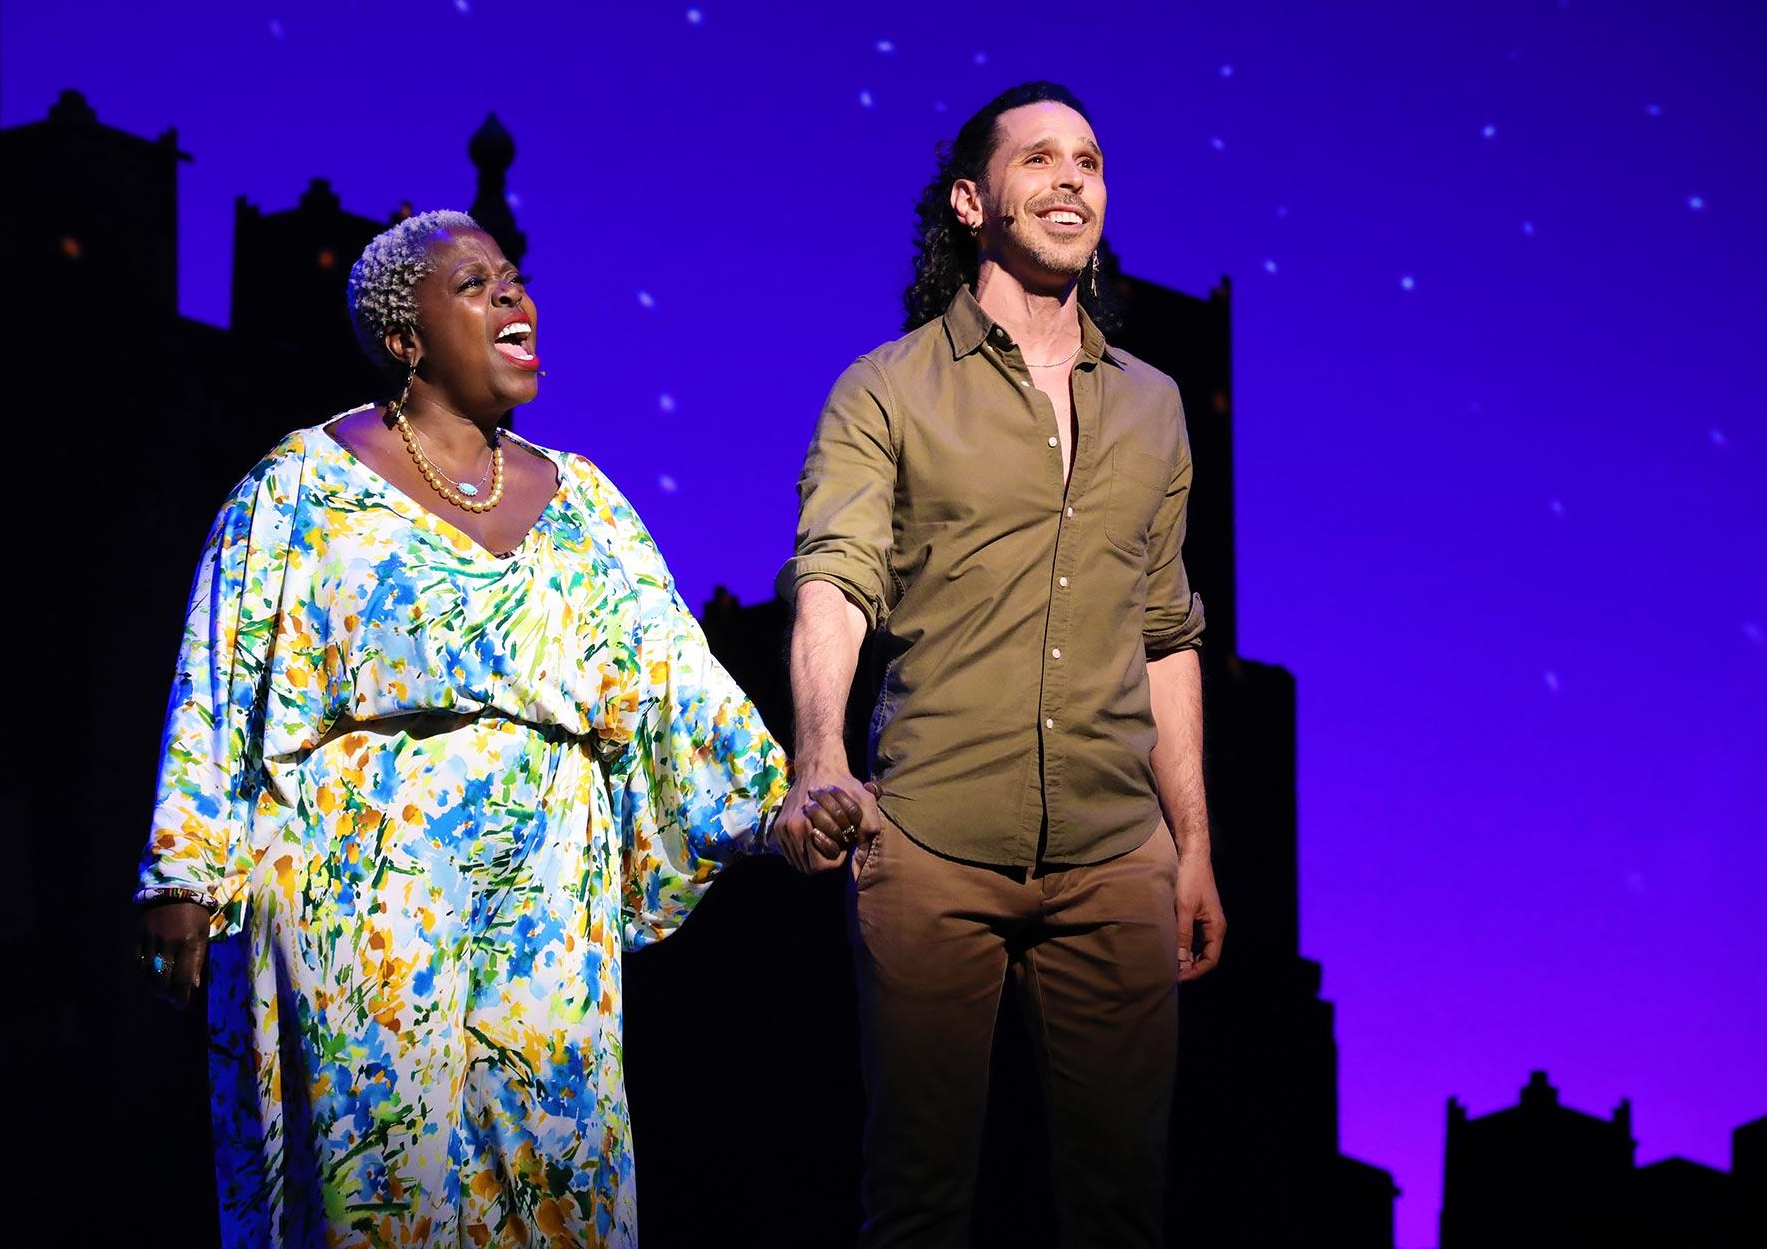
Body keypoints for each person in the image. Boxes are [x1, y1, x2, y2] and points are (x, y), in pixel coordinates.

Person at [133, 209, 859, 1248]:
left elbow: (679, 686)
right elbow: (219, 675)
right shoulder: (297, 489)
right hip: (362, 907)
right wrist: (181, 873)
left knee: (554, 1184)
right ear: (405, 338)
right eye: (474, 285)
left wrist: (783, 804)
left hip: (546, 921)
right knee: (388, 1190)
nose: (514, 299)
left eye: (514, 279)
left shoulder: (592, 508)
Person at [770, 82, 1229, 1247]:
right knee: (919, 1200)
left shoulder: (1156, 406)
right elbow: (835, 576)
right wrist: (821, 755)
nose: (1073, 178)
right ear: (974, 200)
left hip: (1116, 853)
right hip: (930, 844)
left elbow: (1166, 629)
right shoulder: (885, 388)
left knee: (1123, 1207)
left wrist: (1193, 851)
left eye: (1090, 159)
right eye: (1041, 159)